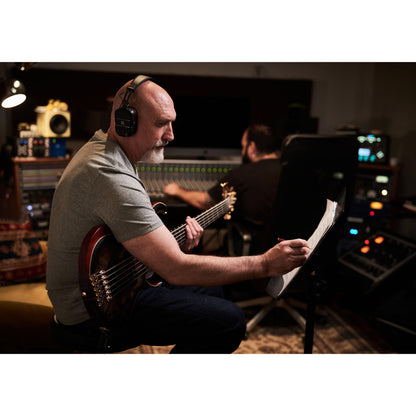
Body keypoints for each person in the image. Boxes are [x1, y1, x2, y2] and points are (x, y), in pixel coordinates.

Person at [46, 75, 310, 354]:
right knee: (230, 321)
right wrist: (266, 264)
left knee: (214, 291)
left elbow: (133, 243)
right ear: (126, 121)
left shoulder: (105, 151)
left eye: (171, 123)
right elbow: (176, 269)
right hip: (92, 315)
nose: (171, 135)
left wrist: (174, 245)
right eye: (161, 123)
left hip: (118, 287)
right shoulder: (110, 174)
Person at [164, 124, 281, 255]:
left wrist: (177, 190)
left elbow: (205, 201)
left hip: (253, 252)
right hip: (280, 249)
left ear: (252, 147)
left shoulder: (243, 174)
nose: (242, 152)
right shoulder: (288, 171)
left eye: (243, 146)